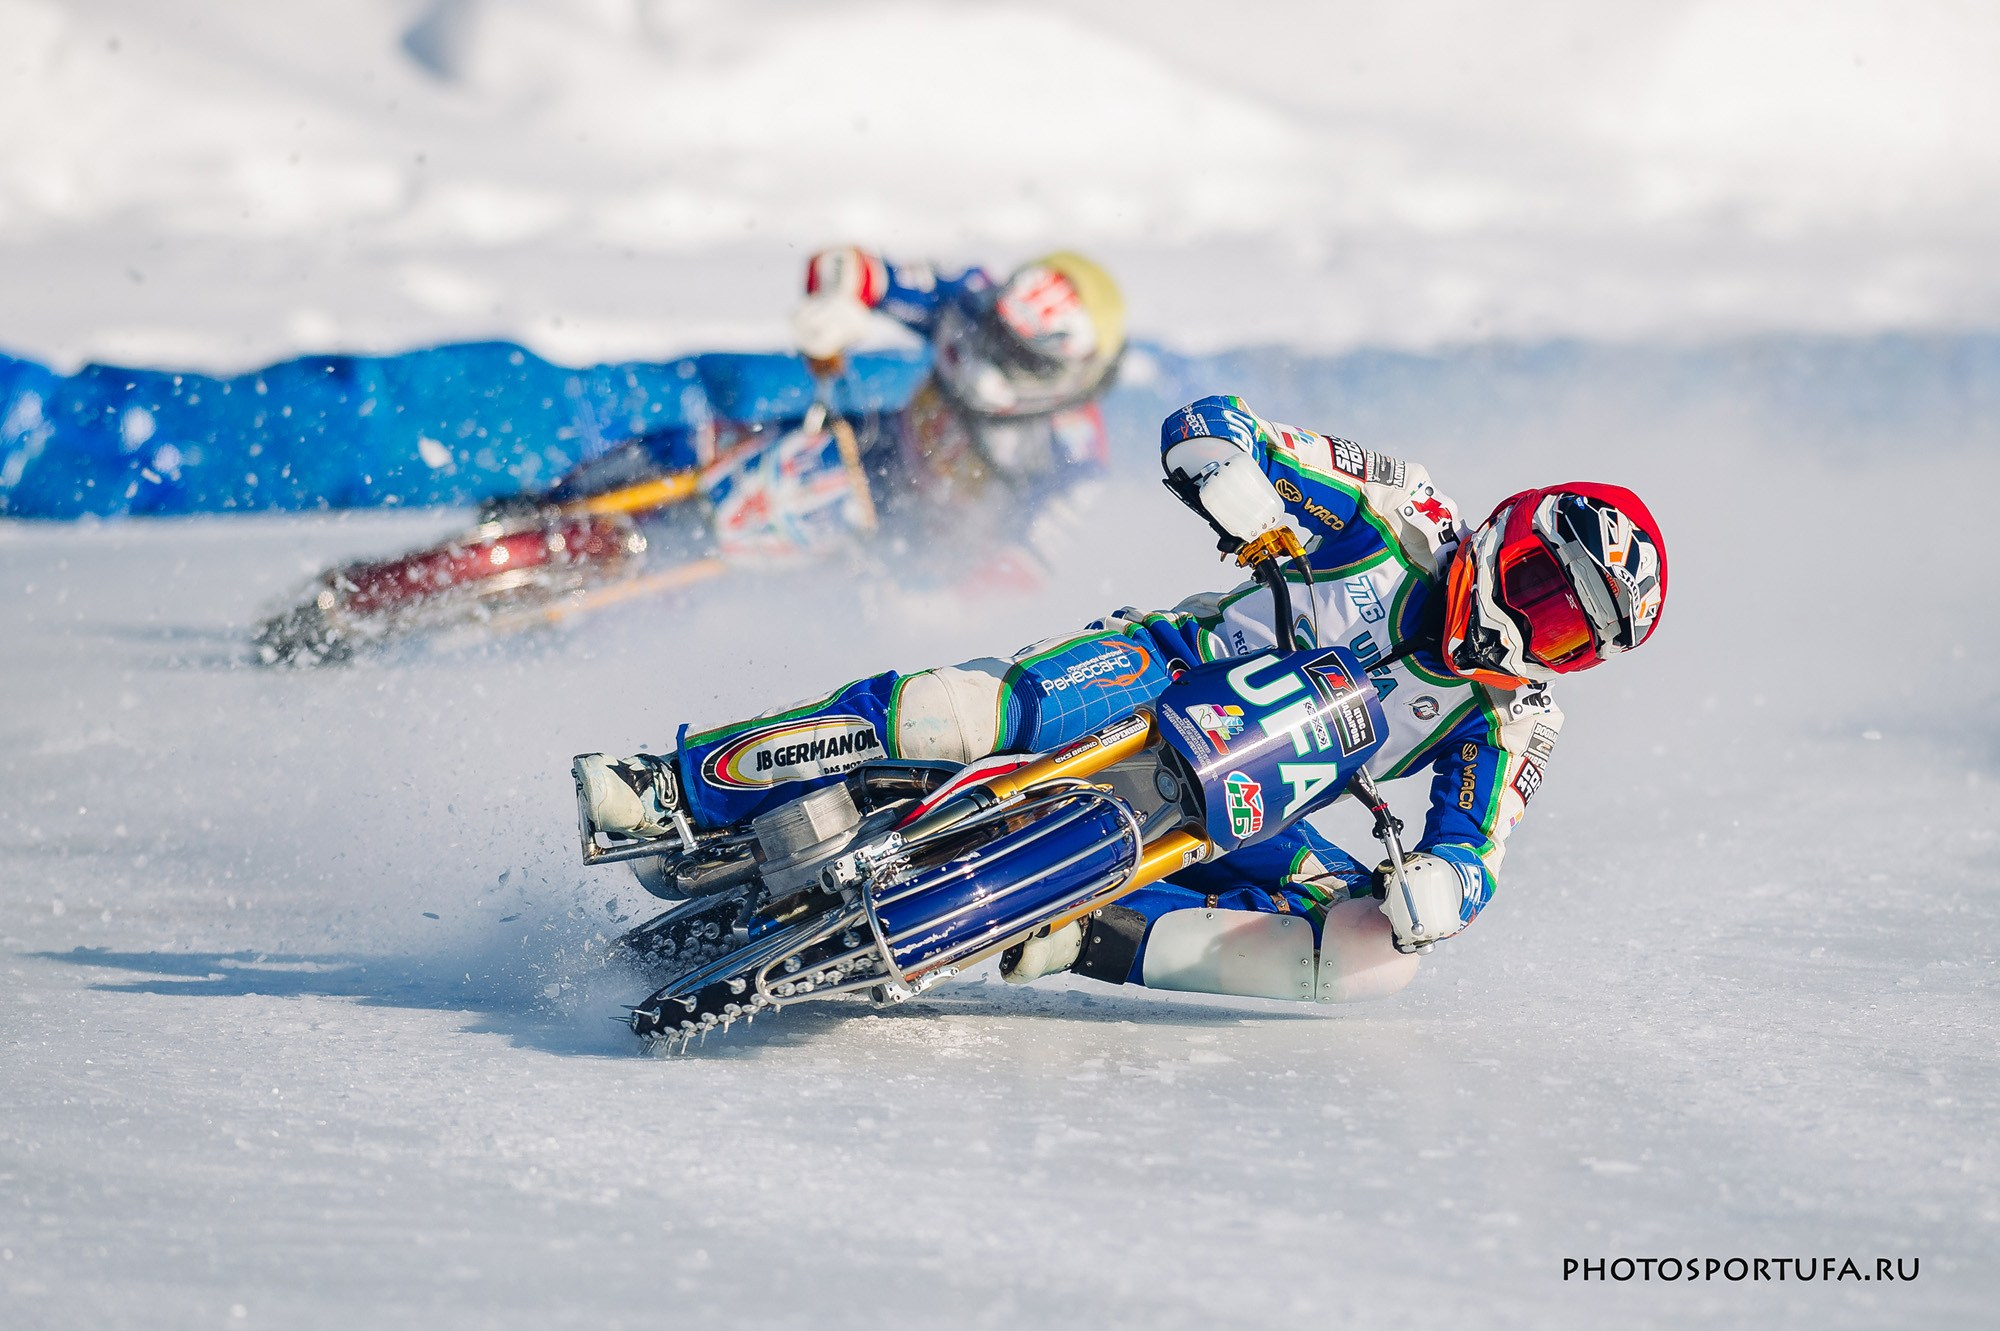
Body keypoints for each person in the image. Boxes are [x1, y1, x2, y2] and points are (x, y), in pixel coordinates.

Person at [574, 393, 1667, 1003]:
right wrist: (1234, 477)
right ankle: (674, 785)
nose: (1531, 625)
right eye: (1540, 586)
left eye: (1566, 632)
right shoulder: (1402, 512)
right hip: (1165, 668)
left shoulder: (1513, 718)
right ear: (1510, 531)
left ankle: (1083, 931)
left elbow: (1478, 851)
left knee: (1370, 960)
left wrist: (1439, 889)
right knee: (969, 712)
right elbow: (1218, 421)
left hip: (1252, 800)